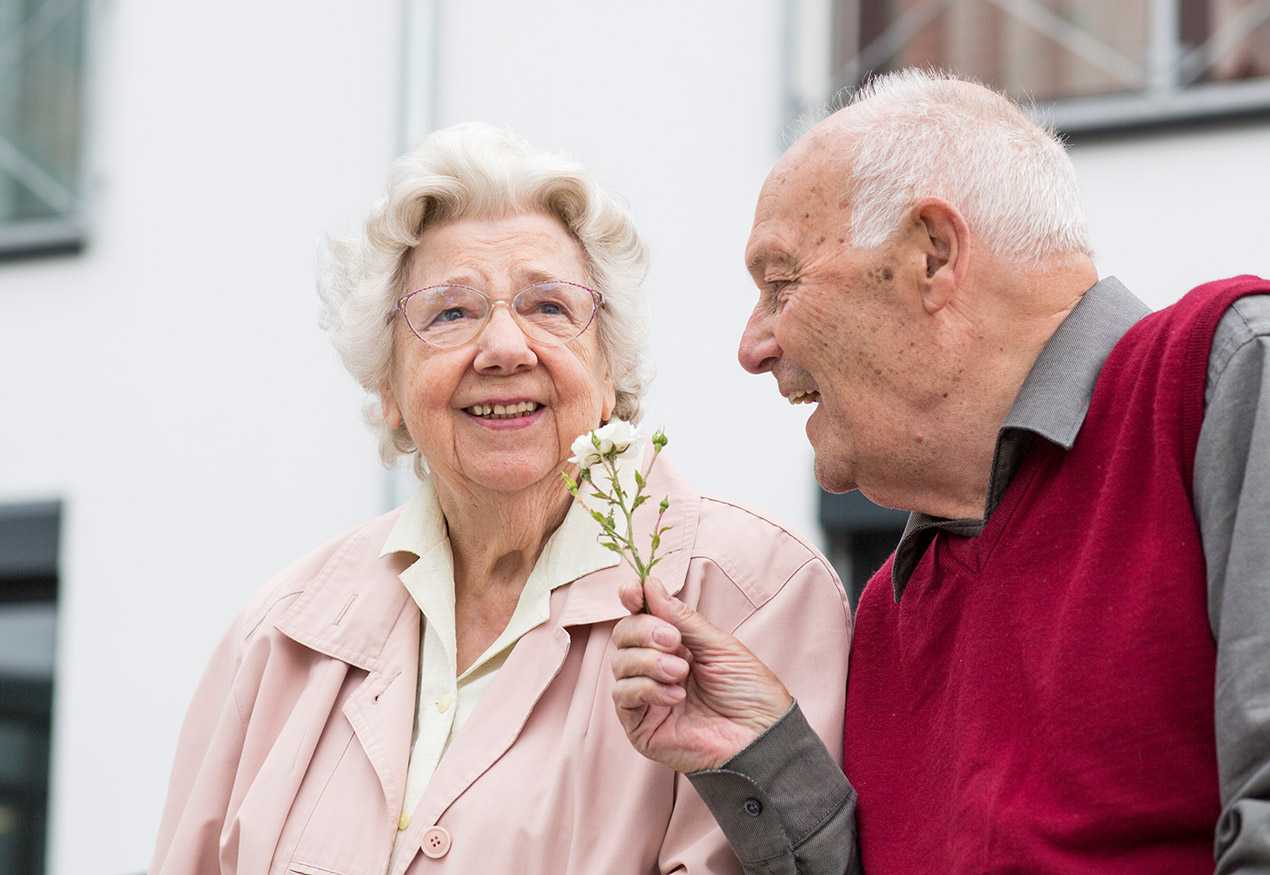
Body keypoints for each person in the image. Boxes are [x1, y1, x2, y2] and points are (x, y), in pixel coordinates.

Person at [611, 68, 1270, 874]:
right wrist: (762, 755)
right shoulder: (894, 607)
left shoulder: (1226, 380)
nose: (752, 348)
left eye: (781, 285)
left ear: (934, 253)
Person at [149, 123, 853, 874]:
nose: (506, 348)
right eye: (451, 313)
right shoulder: (283, 633)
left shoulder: (753, 595)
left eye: (549, 307)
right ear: (388, 386)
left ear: (609, 369)